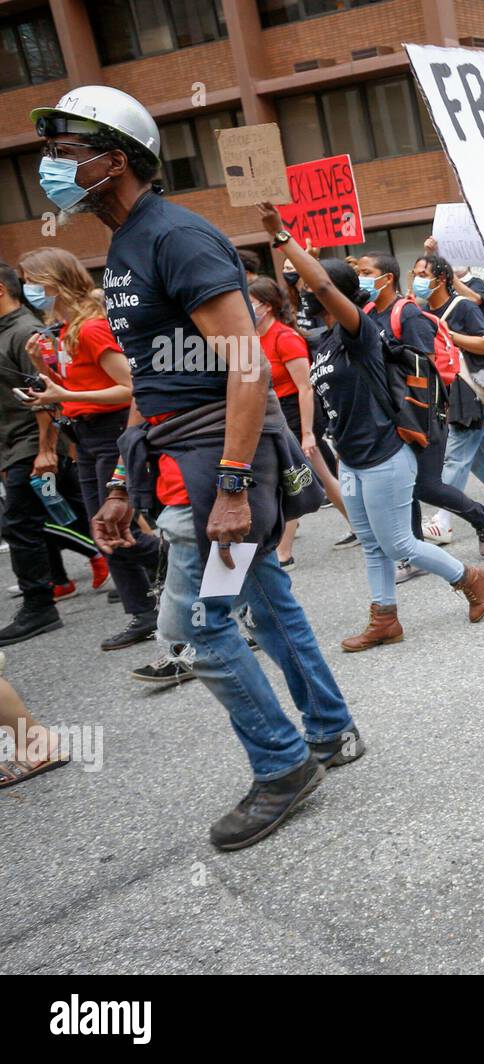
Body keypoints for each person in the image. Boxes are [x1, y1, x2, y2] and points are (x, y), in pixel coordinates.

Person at [35, 84, 361, 849]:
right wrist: (120, 480)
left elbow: (245, 366)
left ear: (114, 161)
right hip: (186, 457)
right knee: (270, 605)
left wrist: (235, 489)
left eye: (66, 152)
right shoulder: (124, 246)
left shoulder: (176, 237)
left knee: (201, 627)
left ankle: (282, 766)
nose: (51, 166)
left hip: (220, 468)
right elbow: (155, 380)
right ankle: (330, 730)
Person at [259, 206, 484, 646]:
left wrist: (281, 236)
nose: (307, 292)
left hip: (386, 455)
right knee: (372, 545)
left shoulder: (359, 332)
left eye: (313, 287)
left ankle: (470, 578)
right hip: (351, 458)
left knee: (399, 545)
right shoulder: (326, 340)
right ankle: (385, 619)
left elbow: (325, 284)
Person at [17, 247, 162, 650]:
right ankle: (144, 613)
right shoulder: (64, 330)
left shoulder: (92, 328)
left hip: (111, 431)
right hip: (86, 436)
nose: (27, 288)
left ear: (53, 281)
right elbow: (74, 393)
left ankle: (182, 567)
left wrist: (61, 390)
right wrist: (46, 376)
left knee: (119, 527)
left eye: (30, 280)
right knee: (106, 531)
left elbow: (132, 387)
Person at [354, 251, 484, 577]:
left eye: (366, 271)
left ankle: (481, 516)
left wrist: (389, 355)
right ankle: (414, 554)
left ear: (386, 277)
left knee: (426, 485)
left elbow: (426, 364)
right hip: (389, 416)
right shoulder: (365, 314)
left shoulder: (407, 315)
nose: (361, 278)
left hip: (423, 412)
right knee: (404, 485)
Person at [0, 262, 105, 646]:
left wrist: (47, 449)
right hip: (14, 442)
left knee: (19, 522)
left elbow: (46, 394)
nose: (31, 289)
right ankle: (133, 562)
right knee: (69, 507)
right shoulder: (8, 332)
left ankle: (39, 606)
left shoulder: (25, 330)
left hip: (35, 440)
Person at [247, 277, 350, 568]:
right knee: (325, 477)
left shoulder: (285, 337)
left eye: (249, 302)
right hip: (274, 413)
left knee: (288, 480)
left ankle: (283, 551)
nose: (244, 307)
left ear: (266, 307)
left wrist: (307, 433)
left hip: (296, 412)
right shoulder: (254, 337)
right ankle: (362, 527)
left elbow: (305, 388)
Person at [422, 255, 484, 526]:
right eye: (416, 274)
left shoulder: (463, 307)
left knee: (456, 455)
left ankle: (444, 518)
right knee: (479, 452)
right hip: (444, 392)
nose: (418, 281)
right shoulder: (422, 312)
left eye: (423, 275)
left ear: (442, 279)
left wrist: (449, 334)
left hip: (467, 390)